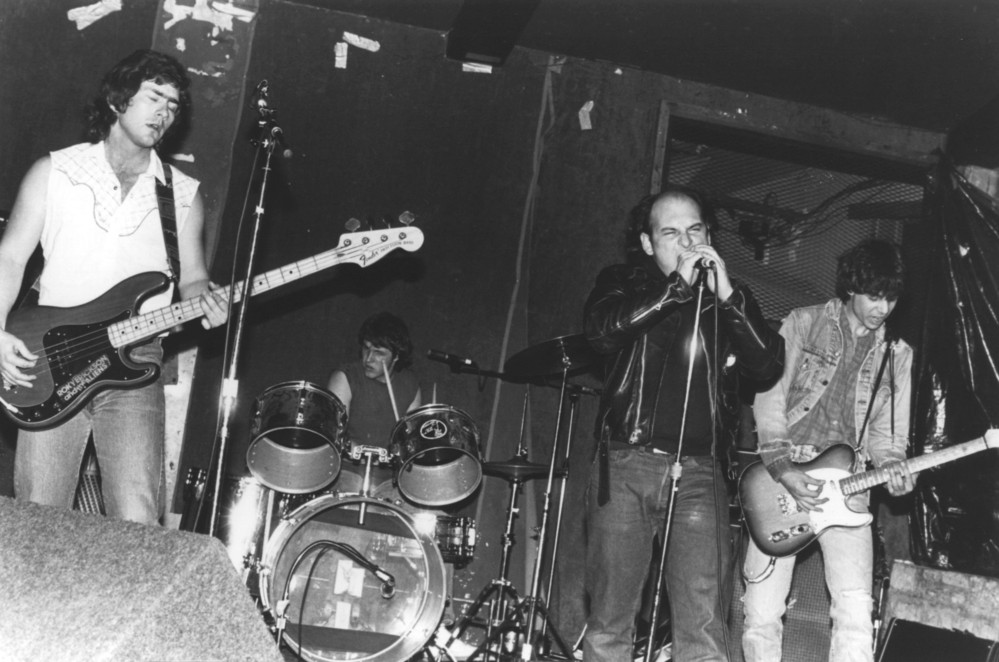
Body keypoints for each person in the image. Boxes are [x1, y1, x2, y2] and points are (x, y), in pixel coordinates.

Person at [0, 50, 228, 525]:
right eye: (154, 97)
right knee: (38, 514)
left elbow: (192, 278)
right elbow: (10, 257)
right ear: (118, 99)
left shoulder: (182, 194)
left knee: (136, 518)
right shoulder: (55, 171)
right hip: (52, 355)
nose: (165, 112)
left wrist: (206, 300)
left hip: (136, 359)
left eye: (174, 105)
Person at [583, 188, 784, 661]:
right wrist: (674, 288)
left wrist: (730, 296)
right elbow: (601, 333)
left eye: (695, 230)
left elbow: (767, 366)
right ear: (647, 243)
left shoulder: (728, 298)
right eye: (671, 233)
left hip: (700, 474)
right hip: (627, 464)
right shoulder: (622, 282)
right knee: (611, 622)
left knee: (704, 628)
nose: (688, 242)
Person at [742, 238, 915, 662]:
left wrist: (894, 465)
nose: (883, 308)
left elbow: (887, 436)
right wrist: (783, 467)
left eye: (891, 298)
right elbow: (770, 399)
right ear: (851, 286)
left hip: (850, 482)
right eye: (874, 296)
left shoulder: (897, 354)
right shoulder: (804, 323)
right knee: (763, 612)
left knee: (855, 610)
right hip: (786, 476)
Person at [327, 311, 422, 494]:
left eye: (379, 352)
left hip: (389, 477)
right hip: (346, 469)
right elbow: (333, 435)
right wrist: (352, 447)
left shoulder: (411, 385)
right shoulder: (345, 377)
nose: (368, 358)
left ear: (396, 356)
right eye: (366, 348)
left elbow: (409, 442)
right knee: (349, 497)